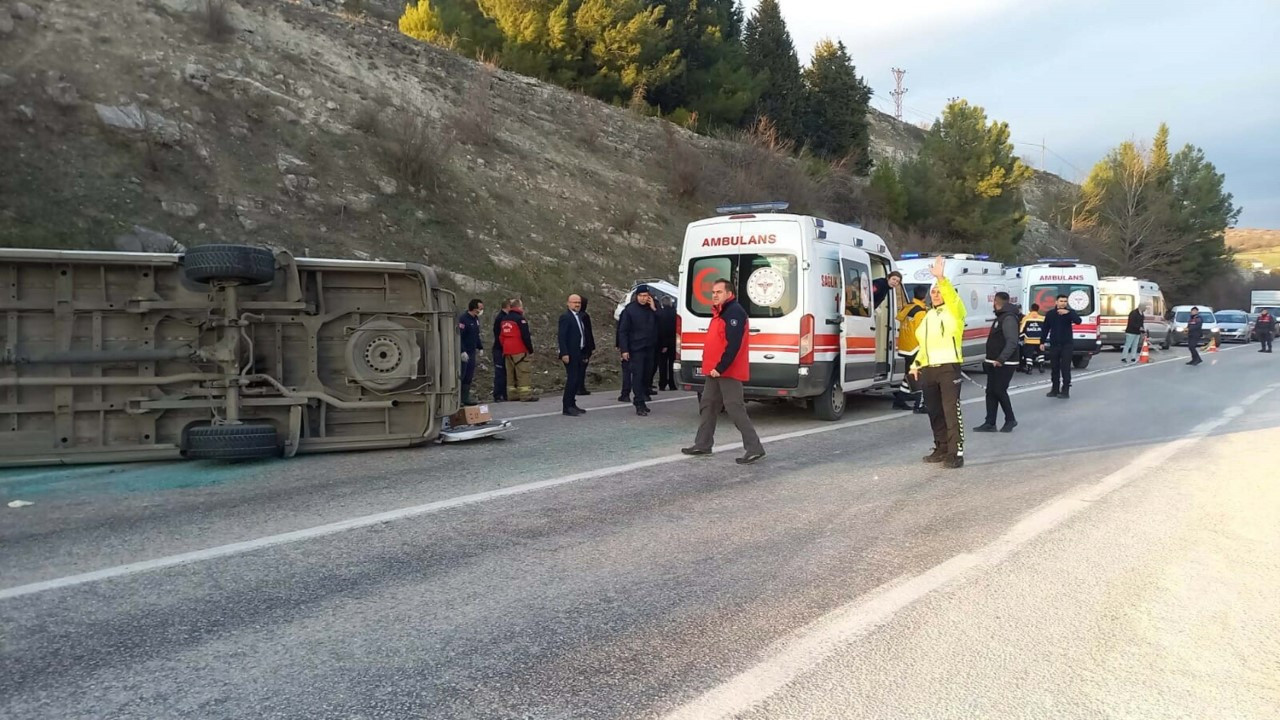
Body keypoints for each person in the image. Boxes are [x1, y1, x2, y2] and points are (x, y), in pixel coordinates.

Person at [681, 278, 765, 465]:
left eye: (718, 292)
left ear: (729, 293)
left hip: (726, 370)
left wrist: (720, 367)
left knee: (735, 407)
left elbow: (734, 345)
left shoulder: (734, 312)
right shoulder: (720, 313)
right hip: (714, 370)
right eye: (713, 292)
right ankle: (702, 444)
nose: (714, 295)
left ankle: (754, 447)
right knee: (708, 404)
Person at [911, 256, 966, 469]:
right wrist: (916, 363)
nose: (935, 294)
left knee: (951, 410)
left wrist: (941, 278)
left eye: (938, 291)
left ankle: (956, 452)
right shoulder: (929, 316)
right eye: (932, 291)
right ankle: (941, 447)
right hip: (928, 368)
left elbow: (951, 296)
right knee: (934, 410)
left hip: (948, 367)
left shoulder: (954, 311)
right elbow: (924, 345)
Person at [975, 291, 1020, 433]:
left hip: (1005, 363)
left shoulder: (1008, 318)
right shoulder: (1000, 317)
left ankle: (1010, 419)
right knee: (991, 392)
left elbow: (1012, 341)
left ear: (995, 302)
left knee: (999, 390)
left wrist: (1001, 358)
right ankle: (990, 422)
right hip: (993, 361)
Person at [618, 285, 659, 416]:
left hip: (650, 347)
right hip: (636, 348)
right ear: (637, 296)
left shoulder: (652, 310)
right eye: (641, 296)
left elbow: (662, 323)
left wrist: (654, 308)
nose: (643, 298)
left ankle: (643, 400)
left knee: (647, 376)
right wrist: (624, 349)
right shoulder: (629, 311)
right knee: (638, 376)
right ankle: (639, 402)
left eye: (646, 296)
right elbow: (623, 331)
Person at [892, 285, 928, 412]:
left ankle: (900, 399)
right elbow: (922, 331)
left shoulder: (908, 307)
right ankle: (919, 404)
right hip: (915, 346)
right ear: (925, 296)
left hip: (905, 346)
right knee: (918, 375)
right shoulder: (920, 312)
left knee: (909, 375)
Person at [499, 298, 538, 401]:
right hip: (519, 349)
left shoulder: (504, 319)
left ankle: (512, 395)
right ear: (519, 306)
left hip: (507, 350)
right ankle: (525, 395)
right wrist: (530, 350)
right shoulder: (520, 319)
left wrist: (505, 346)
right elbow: (525, 336)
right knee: (523, 373)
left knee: (510, 374)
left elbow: (501, 336)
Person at [1043, 295, 1081, 398]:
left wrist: (1069, 313)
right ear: (1056, 302)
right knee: (1054, 368)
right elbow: (1045, 328)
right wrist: (1041, 342)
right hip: (1054, 344)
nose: (1063, 303)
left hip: (1067, 345)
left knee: (1065, 368)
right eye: (1061, 301)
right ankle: (1054, 389)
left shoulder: (1070, 313)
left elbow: (1078, 321)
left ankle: (1065, 390)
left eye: (1065, 301)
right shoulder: (1051, 314)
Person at [557, 294, 589, 416]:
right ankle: (567, 406)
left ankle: (573, 403)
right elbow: (562, 336)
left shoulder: (579, 316)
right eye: (574, 302)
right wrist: (564, 353)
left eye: (579, 303)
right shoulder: (565, 317)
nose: (577, 305)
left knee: (577, 380)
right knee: (572, 379)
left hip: (579, 352)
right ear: (568, 303)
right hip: (570, 353)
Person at [457, 298, 484, 406]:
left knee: (469, 375)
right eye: (480, 308)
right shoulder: (463, 319)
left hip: (472, 351)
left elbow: (476, 335)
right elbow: (459, 337)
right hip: (464, 352)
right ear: (474, 308)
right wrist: (462, 351)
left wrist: (480, 347)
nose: (481, 310)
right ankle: (457, 399)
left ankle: (465, 398)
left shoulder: (475, 319)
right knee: (461, 375)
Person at [576, 296, 596, 395]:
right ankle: (580, 387)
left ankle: (578, 387)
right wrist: (591, 346)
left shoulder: (575, 315)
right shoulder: (584, 316)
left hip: (577, 346)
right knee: (582, 368)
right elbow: (587, 333)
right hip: (584, 346)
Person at [657, 296, 678, 391]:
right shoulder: (675, 314)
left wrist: (663, 344)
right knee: (672, 364)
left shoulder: (660, 314)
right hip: (673, 342)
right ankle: (672, 383)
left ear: (662, 303)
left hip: (663, 342)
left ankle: (662, 383)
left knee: (662, 364)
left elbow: (661, 330)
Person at [491, 299, 510, 402]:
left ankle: (504, 394)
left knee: (505, 373)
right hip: (499, 349)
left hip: (503, 348)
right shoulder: (501, 318)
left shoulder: (504, 317)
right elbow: (499, 335)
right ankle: (498, 395)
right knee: (500, 373)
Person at [1019, 303, 1046, 374]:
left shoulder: (1026, 318)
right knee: (1040, 354)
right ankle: (1041, 366)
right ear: (1038, 309)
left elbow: (1021, 329)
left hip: (1029, 340)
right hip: (1039, 340)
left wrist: (1021, 337)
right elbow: (1046, 329)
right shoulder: (1042, 318)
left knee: (1029, 355)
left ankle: (1029, 368)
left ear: (1031, 309)